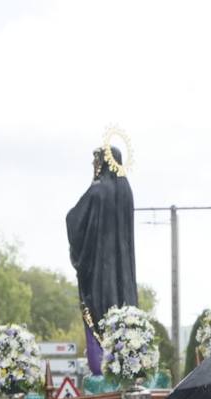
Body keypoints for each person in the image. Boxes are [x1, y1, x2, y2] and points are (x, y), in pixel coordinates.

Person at [66, 144, 137, 375]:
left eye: (96, 162)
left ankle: (102, 369)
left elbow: (73, 219)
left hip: (98, 272)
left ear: (104, 162)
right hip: (123, 273)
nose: (93, 167)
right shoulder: (125, 191)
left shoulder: (97, 191)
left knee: (98, 316)